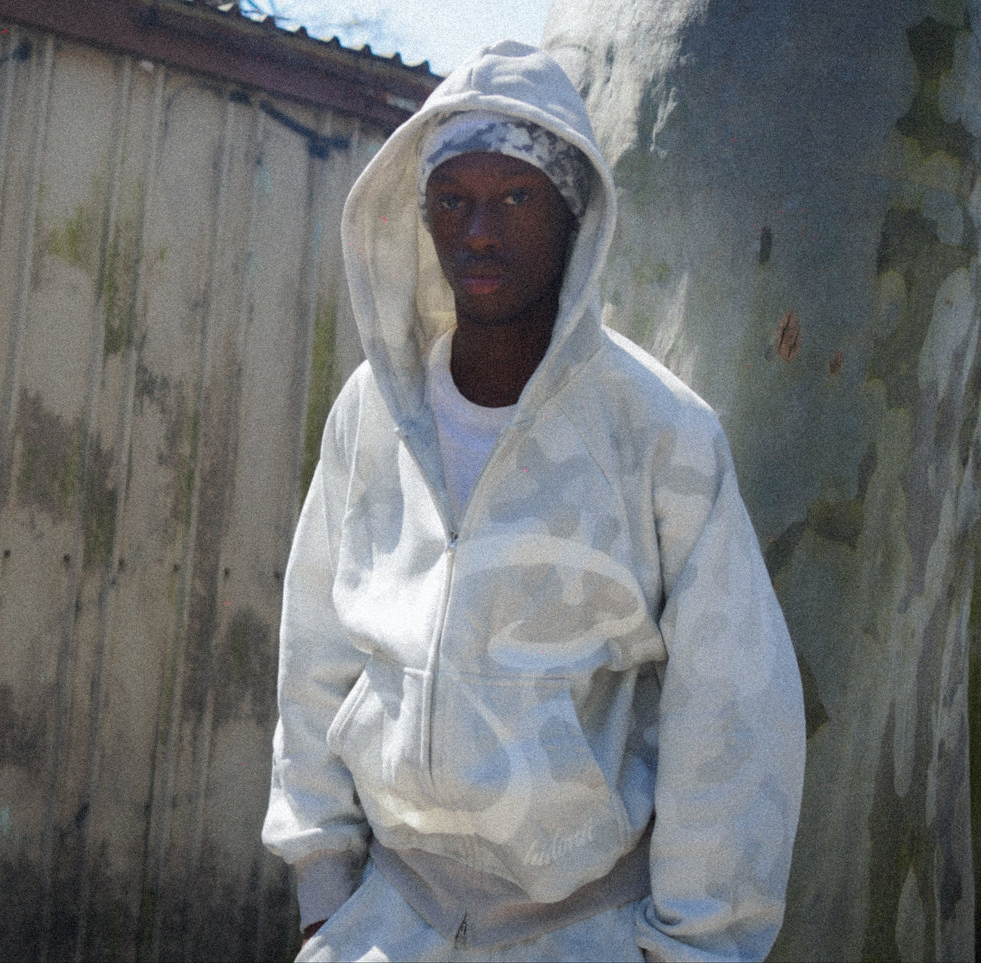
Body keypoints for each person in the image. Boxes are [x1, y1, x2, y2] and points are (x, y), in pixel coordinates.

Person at [262, 40, 805, 963]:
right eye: (452, 200)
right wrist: (324, 892)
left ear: (572, 213)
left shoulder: (659, 431)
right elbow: (315, 650)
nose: (478, 232)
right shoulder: (373, 411)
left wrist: (694, 946)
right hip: (386, 921)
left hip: (583, 930)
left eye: (515, 197)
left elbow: (731, 711)